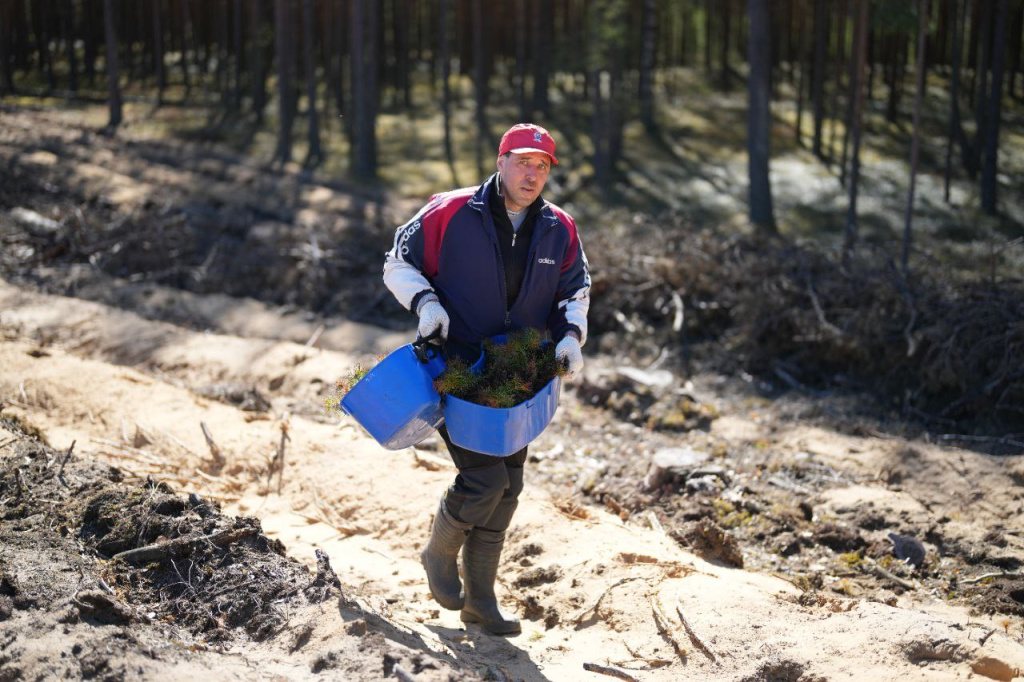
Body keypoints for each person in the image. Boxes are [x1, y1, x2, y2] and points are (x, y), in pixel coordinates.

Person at [382, 123, 590, 635]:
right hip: (455, 365)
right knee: (484, 480)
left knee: (510, 485)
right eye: (523, 161)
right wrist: (426, 303)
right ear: (500, 161)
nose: (532, 173)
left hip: (518, 375)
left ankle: (480, 602)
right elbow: (396, 263)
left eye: (542, 166)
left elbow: (575, 288)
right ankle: (437, 553)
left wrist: (570, 337)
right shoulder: (448, 211)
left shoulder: (559, 227)